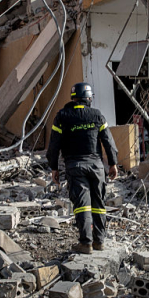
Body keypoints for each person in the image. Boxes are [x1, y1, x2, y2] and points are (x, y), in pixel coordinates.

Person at [47, 82, 119, 254]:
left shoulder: (62, 116)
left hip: (74, 165)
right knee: (98, 204)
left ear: (73, 97)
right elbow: (108, 141)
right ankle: (99, 242)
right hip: (96, 166)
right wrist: (113, 163)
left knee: (82, 205)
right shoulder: (97, 115)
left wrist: (54, 167)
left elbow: (54, 144)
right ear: (89, 98)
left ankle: (86, 243)